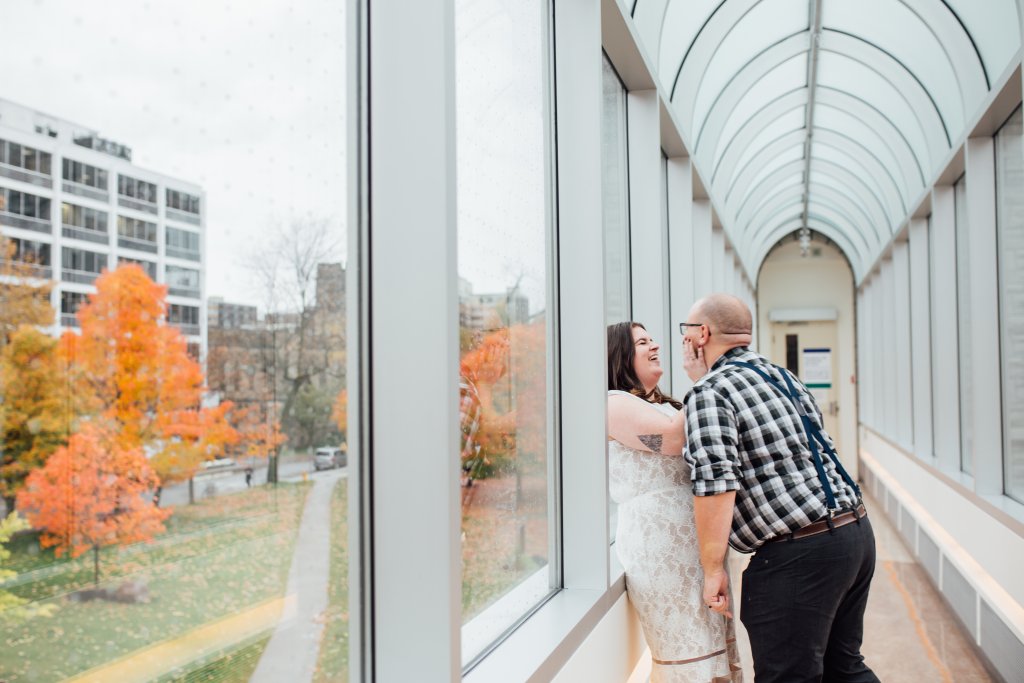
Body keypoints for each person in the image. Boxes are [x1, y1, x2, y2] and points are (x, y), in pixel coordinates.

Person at [681, 294, 878, 683]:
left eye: (686, 332)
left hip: (802, 554)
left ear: (701, 334)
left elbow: (716, 484)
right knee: (844, 667)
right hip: (855, 532)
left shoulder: (710, 393)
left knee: (787, 676)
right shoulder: (781, 375)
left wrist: (712, 568)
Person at [606, 321, 742, 682]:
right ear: (620, 354)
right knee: (687, 655)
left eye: (652, 339)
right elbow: (669, 440)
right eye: (641, 342)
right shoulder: (612, 402)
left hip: (698, 549)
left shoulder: (668, 404)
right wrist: (706, 379)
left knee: (714, 652)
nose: (654, 346)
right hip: (660, 551)